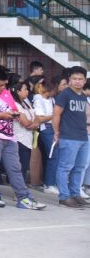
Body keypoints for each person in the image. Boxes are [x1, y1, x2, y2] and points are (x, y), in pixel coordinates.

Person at [0, 67, 45, 210]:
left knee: (15, 168)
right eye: (1, 85)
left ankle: (23, 198)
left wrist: (15, 115)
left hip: (10, 136)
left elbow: (14, 111)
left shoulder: (5, 93)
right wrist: (1, 116)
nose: (3, 88)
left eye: (5, 85)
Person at [53, 66, 89, 209]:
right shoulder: (64, 94)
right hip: (68, 136)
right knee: (65, 168)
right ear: (69, 80)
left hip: (82, 136)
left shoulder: (82, 95)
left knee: (79, 168)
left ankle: (75, 194)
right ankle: (64, 197)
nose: (77, 81)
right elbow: (56, 114)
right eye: (74, 79)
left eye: (80, 79)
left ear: (85, 80)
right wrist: (56, 132)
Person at [33, 78, 58, 193]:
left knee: (55, 155)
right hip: (45, 128)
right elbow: (40, 118)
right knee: (53, 155)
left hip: (53, 127)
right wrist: (54, 115)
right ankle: (49, 184)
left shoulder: (51, 99)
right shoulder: (38, 98)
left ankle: (52, 181)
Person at [11, 79, 37, 183]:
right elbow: (25, 123)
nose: (27, 91)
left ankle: (20, 188)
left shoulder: (26, 103)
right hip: (19, 138)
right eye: (25, 89)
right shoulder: (15, 105)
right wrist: (33, 123)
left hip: (28, 138)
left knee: (24, 165)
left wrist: (34, 123)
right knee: (20, 165)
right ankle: (18, 189)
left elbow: (36, 118)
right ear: (18, 91)